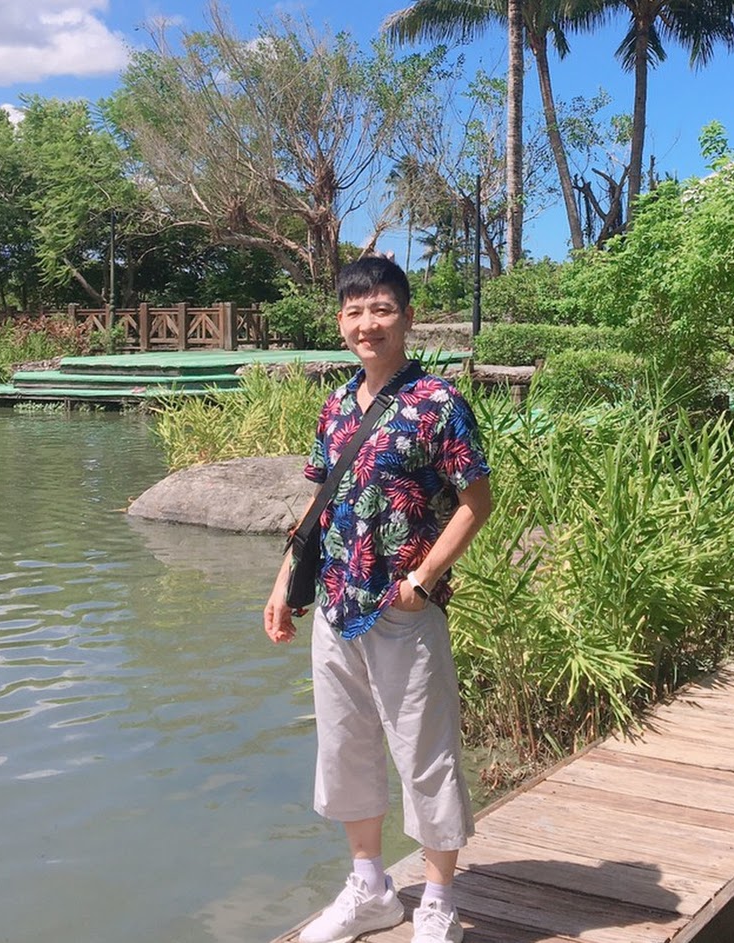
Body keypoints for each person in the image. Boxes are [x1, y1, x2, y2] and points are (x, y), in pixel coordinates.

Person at [264, 256, 492, 943]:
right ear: (341, 321)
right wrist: (284, 582)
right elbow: (318, 502)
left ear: (407, 317)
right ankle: (370, 887)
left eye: (382, 309)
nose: (368, 324)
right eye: (355, 311)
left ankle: (440, 900)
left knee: (425, 752)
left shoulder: (439, 403)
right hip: (336, 604)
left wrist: (423, 581)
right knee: (346, 748)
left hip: (402, 609)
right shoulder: (336, 404)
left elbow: (477, 502)